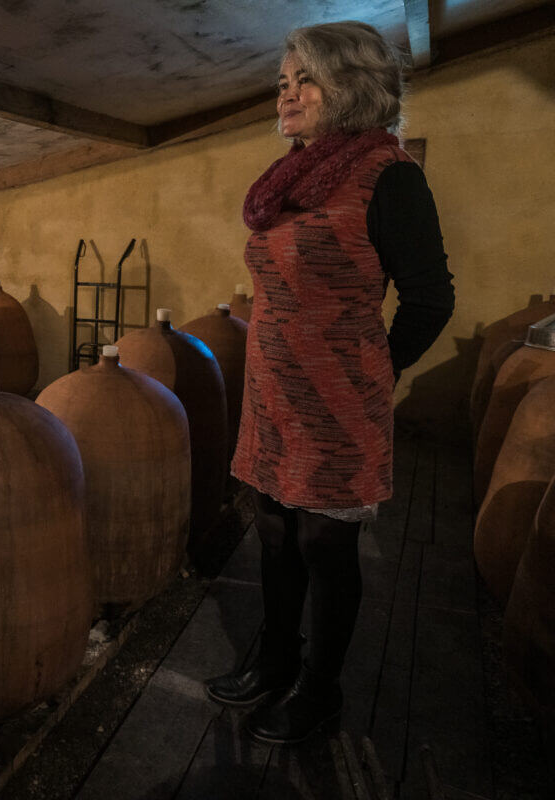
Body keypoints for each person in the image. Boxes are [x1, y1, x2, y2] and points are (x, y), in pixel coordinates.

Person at [205, 21, 455, 744]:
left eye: (302, 80)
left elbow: (430, 297)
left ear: (348, 86)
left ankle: (322, 690)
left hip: (338, 406)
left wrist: (373, 372)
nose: (285, 94)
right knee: (276, 534)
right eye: (282, 82)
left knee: (325, 546)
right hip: (274, 395)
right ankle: (276, 662)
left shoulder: (390, 176)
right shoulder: (294, 176)